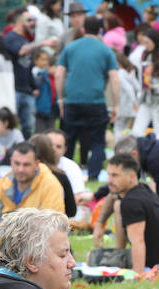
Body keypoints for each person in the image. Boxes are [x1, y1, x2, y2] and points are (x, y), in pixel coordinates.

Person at [55, 15, 120, 181]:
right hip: (96, 101)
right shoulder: (105, 50)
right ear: (100, 30)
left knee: (68, 139)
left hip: (72, 101)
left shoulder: (70, 48)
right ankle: (93, 175)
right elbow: (114, 78)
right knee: (98, 141)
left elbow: (59, 74)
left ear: (83, 29)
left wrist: (61, 99)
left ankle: (65, 175)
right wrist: (116, 105)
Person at [106, 153, 159, 273]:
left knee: (92, 256)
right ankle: (118, 253)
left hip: (154, 262)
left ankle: (121, 258)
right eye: (109, 175)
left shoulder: (131, 202)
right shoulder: (143, 189)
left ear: (131, 176)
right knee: (117, 205)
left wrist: (138, 274)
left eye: (115, 175)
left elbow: (138, 241)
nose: (109, 181)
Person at [0, 141, 65, 231]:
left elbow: (52, 225)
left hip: (39, 241)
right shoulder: (2, 183)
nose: (20, 169)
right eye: (17, 163)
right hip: (4, 240)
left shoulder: (50, 184)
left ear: (36, 164)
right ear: (11, 161)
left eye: (26, 165)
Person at [4, 9, 58, 139]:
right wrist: (43, 43)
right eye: (28, 20)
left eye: (33, 20)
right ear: (19, 21)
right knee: (12, 124)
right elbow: (21, 51)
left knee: (28, 126)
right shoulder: (10, 37)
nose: (32, 23)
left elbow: (27, 67)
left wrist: (33, 86)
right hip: (14, 89)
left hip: (27, 90)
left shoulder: (25, 39)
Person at [28, 133, 77, 219]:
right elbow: (71, 210)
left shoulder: (20, 175)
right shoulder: (60, 176)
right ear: (50, 151)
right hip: (53, 224)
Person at [45, 128, 92, 208]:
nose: (53, 149)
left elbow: (77, 198)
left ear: (65, 150)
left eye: (58, 146)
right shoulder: (31, 164)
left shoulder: (71, 167)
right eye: (50, 145)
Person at [32, 49, 58, 133]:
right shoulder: (42, 75)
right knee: (40, 132)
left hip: (52, 109)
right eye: (55, 67)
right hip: (41, 109)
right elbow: (36, 86)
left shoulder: (56, 79)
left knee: (51, 132)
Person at [115, 51, 141, 135]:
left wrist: (134, 102)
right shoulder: (129, 73)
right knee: (127, 130)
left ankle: (118, 146)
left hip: (122, 106)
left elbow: (128, 88)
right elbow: (138, 87)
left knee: (118, 129)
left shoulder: (119, 73)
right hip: (130, 107)